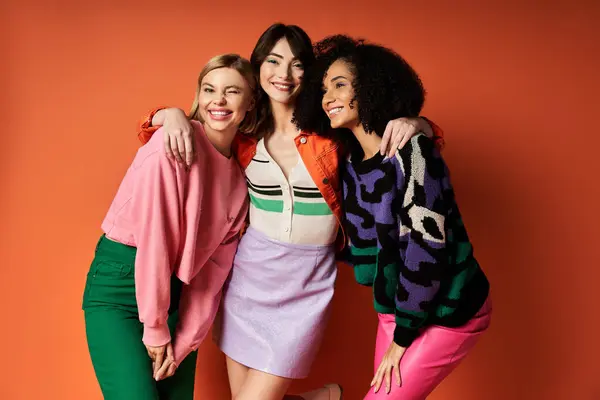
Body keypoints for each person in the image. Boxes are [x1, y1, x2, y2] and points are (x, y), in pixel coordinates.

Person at [137, 23, 443, 400]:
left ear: (310, 73)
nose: (283, 75)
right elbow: (181, 131)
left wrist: (419, 124)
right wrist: (168, 114)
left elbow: (414, 139)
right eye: (273, 61)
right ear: (259, 66)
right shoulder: (244, 134)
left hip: (308, 280)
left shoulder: (332, 131)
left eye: (297, 64)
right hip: (248, 277)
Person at [293, 34, 492, 399]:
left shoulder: (412, 153)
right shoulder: (349, 164)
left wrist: (401, 339)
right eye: (323, 89)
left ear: (371, 88)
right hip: (395, 309)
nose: (328, 98)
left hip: (449, 308)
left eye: (340, 85)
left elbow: (426, 250)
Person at [82, 54, 255, 400]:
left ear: (250, 103)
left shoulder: (239, 183)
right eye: (209, 89)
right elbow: (155, 239)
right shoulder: (172, 142)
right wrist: (156, 328)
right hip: (120, 284)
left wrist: (186, 340)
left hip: (176, 295)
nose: (218, 100)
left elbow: (212, 275)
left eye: (231, 91)